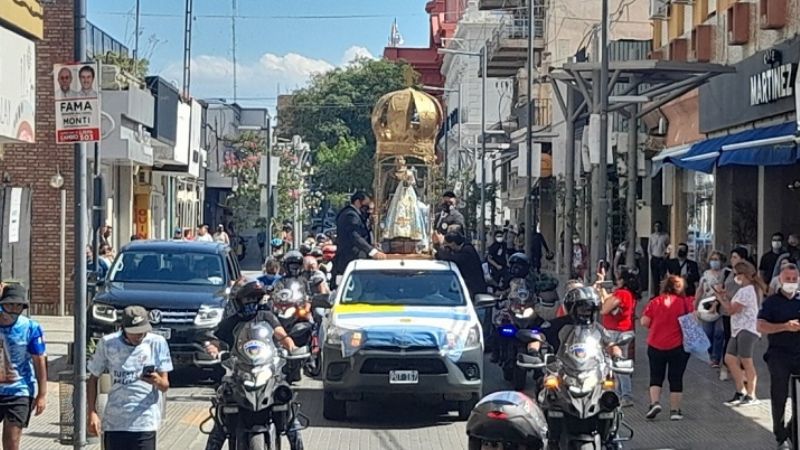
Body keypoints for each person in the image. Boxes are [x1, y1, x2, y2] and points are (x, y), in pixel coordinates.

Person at [203, 280, 303, 450]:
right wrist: (214, 350)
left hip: (267, 370)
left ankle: (298, 445)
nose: (250, 303)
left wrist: (292, 348)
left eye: (254, 299)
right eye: (247, 300)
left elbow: (281, 335)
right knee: (223, 405)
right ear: (239, 302)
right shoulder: (231, 322)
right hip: (238, 372)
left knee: (286, 400)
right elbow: (216, 341)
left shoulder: (267, 316)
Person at [87, 306, 172, 450]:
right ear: (123, 328)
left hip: (145, 421)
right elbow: (93, 378)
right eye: (134, 333)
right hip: (115, 422)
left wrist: (156, 380)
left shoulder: (157, 343)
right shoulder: (108, 343)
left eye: (142, 332)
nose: (138, 336)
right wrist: (92, 412)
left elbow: (165, 385)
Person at [758, 263, 800, 449]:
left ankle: (792, 429)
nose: (791, 282)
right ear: (780, 280)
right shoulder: (771, 302)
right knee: (779, 394)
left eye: (794, 279)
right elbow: (761, 326)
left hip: (798, 352)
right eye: (788, 279)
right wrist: (784, 326)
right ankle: (780, 434)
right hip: (778, 354)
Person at [0, 284, 47, 450]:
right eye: (10, 304)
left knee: (11, 440)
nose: (14, 309)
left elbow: (39, 360)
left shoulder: (30, 328)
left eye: (18, 305)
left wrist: (41, 394)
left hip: (19, 390)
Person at [641, 275, 693, 421]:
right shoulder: (685, 303)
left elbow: (644, 322)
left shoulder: (655, 302)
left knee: (655, 376)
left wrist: (657, 325)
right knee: (676, 378)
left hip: (655, 344)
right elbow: (693, 319)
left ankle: (654, 403)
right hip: (678, 346)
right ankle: (675, 411)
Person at [716, 261, 765, 407]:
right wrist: (725, 298)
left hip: (747, 329)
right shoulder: (744, 290)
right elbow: (733, 306)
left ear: (743, 275)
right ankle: (740, 390)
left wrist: (720, 299)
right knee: (729, 358)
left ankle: (751, 393)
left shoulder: (747, 290)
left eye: (736, 275)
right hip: (737, 329)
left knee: (746, 361)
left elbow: (731, 310)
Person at [597, 265, 638, 407]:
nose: (616, 281)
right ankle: (620, 394)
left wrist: (604, 299)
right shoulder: (625, 294)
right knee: (616, 363)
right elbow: (606, 299)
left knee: (619, 364)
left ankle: (625, 395)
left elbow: (604, 308)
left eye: (618, 278)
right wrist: (602, 284)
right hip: (621, 331)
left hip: (617, 332)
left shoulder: (622, 294)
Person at [332, 192, 386, 285]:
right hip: (351, 259)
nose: (367, 209)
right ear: (358, 202)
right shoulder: (350, 215)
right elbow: (355, 236)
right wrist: (372, 251)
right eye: (366, 205)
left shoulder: (356, 215)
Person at [383, 156, 426, 242]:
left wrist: (409, 182)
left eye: (400, 159)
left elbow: (414, 183)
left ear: (404, 161)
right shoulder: (390, 173)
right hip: (395, 196)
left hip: (408, 195)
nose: (398, 162)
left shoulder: (409, 172)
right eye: (396, 160)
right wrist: (384, 198)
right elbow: (386, 187)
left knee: (412, 211)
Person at [695, 250, 727, 368]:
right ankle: (709, 352)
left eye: (717, 259)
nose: (714, 262)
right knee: (707, 332)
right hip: (707, 306)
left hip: (721, 306)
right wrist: (695, 305)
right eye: (712, 259)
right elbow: (700, 290)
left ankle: (716, 357)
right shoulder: (706, 275)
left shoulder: (725, 274)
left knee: (719, 332)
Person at [436, 232, 487, 297]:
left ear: (453, 244)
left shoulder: (467, 251)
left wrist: (440, 246)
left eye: (447, 245)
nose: (447, 247)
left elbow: (452, 258)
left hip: (473, 290)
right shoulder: (462, 250)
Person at [648, 221, 670, 292]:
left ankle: (663, 293)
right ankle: (656, 294)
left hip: (662, 259)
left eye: (658, 226)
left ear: (661, 227)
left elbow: (669, 246)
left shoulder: (665, 236)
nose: (657, 228)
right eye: (656, 226)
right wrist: (650, 257)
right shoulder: (652, 236)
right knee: (655, 278)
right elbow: (649, 248)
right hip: (654, 258)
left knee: (662, 277)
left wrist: (666, 255)